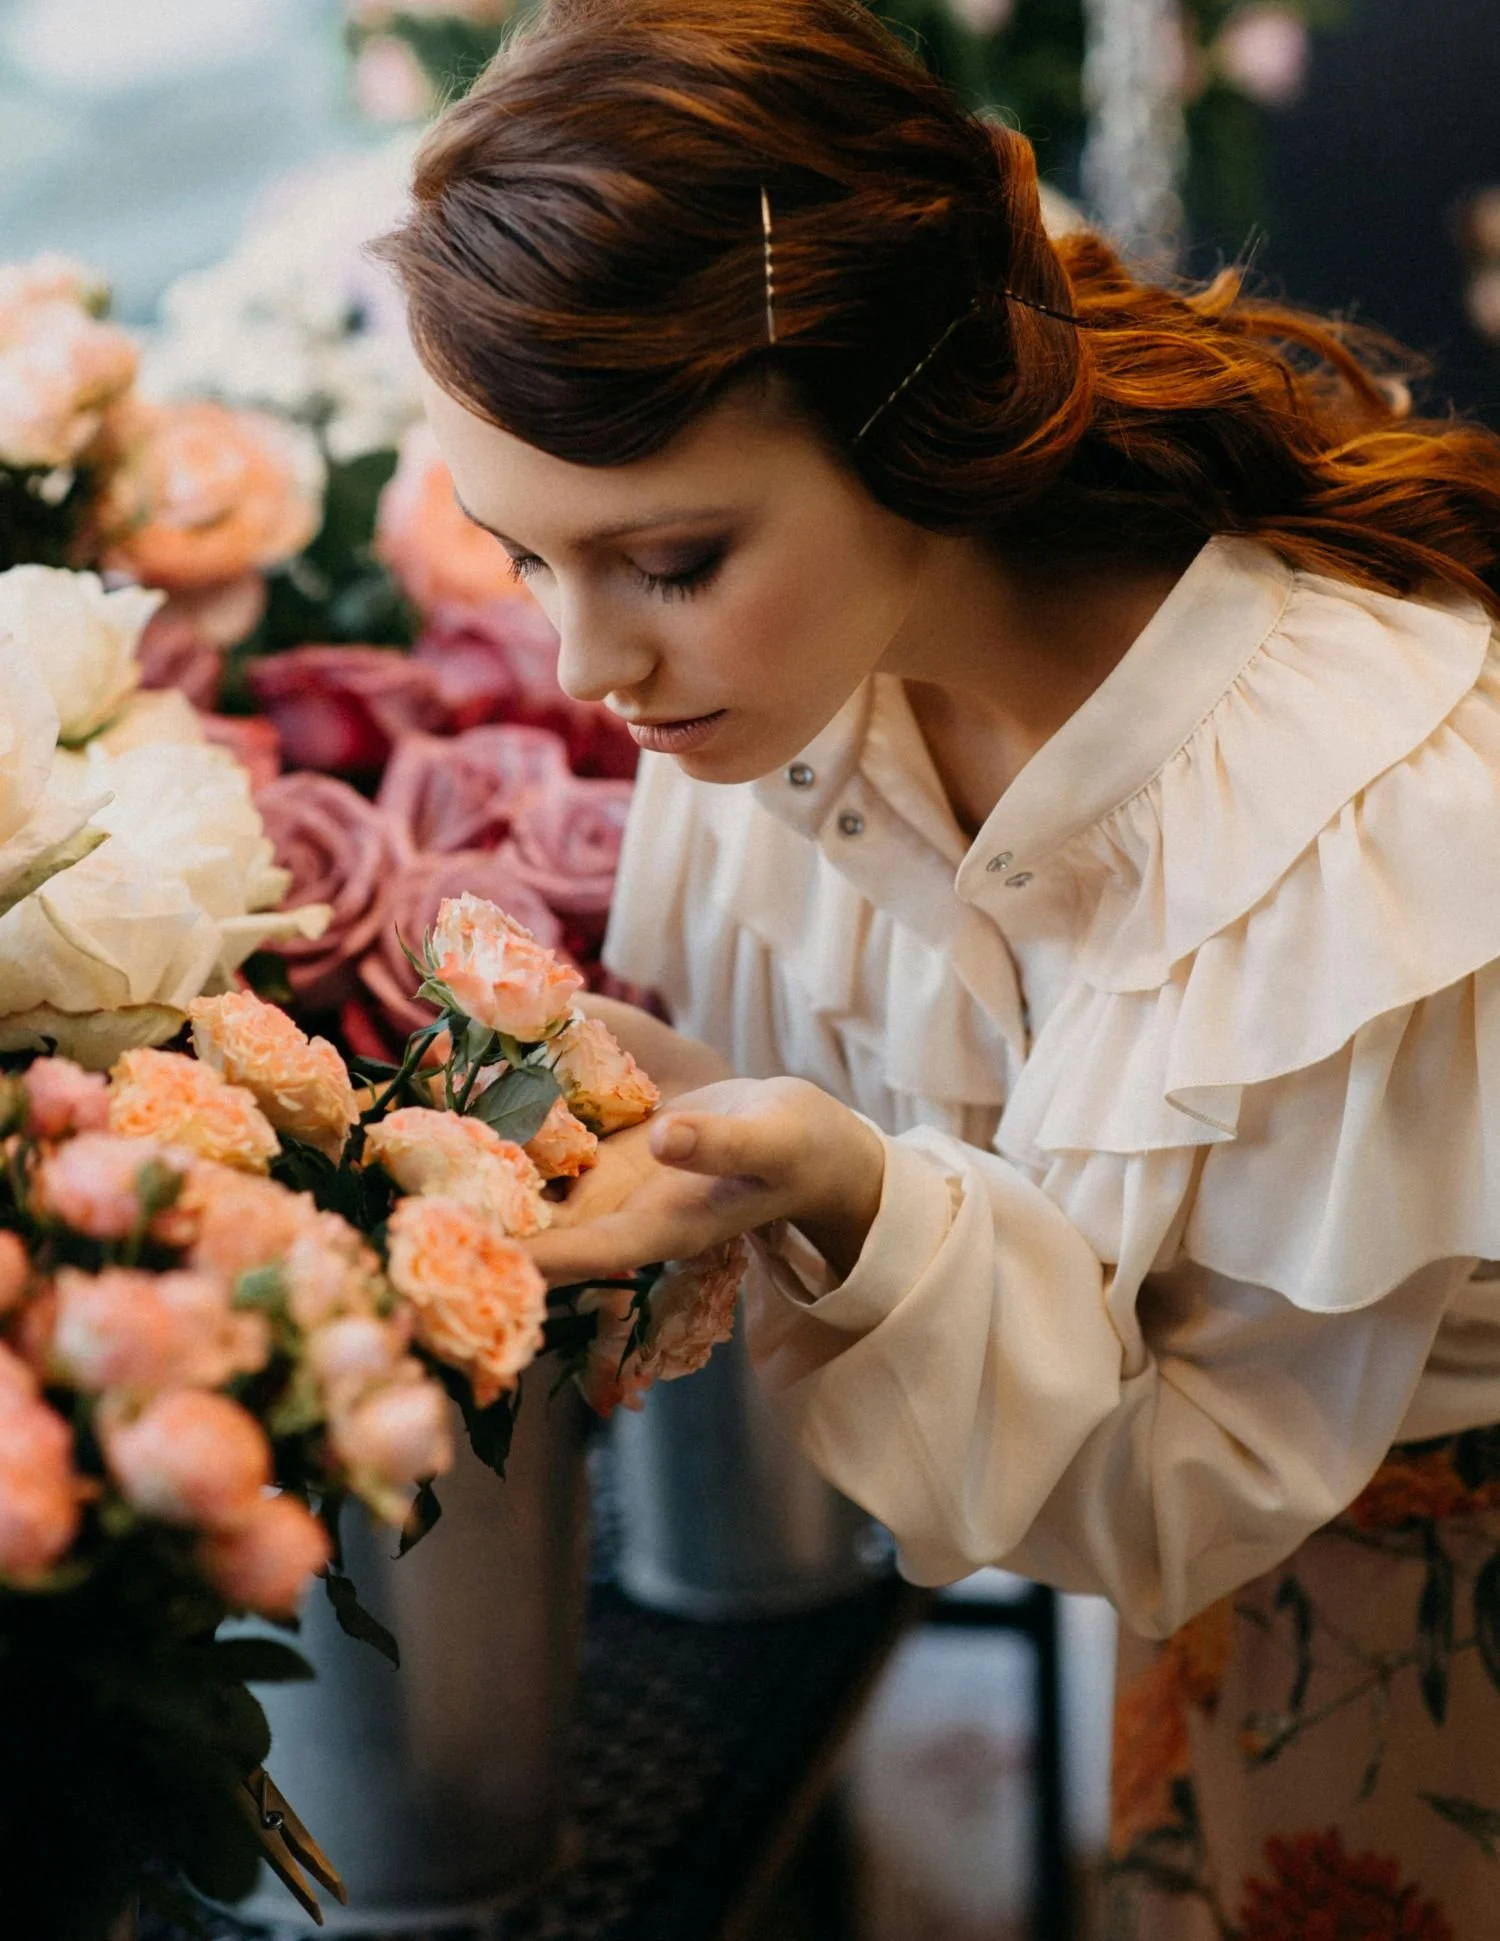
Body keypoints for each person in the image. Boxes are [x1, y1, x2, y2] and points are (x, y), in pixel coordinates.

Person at [376, 0, 1500, 1930]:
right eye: (524, 559)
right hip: (1215, 1651)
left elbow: (1177, 1471)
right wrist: (700, 1114)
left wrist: (848, 1188)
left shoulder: (1360, 821)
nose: (588, 670)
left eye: (669, 557)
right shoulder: (784, 696)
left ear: (911, 417)